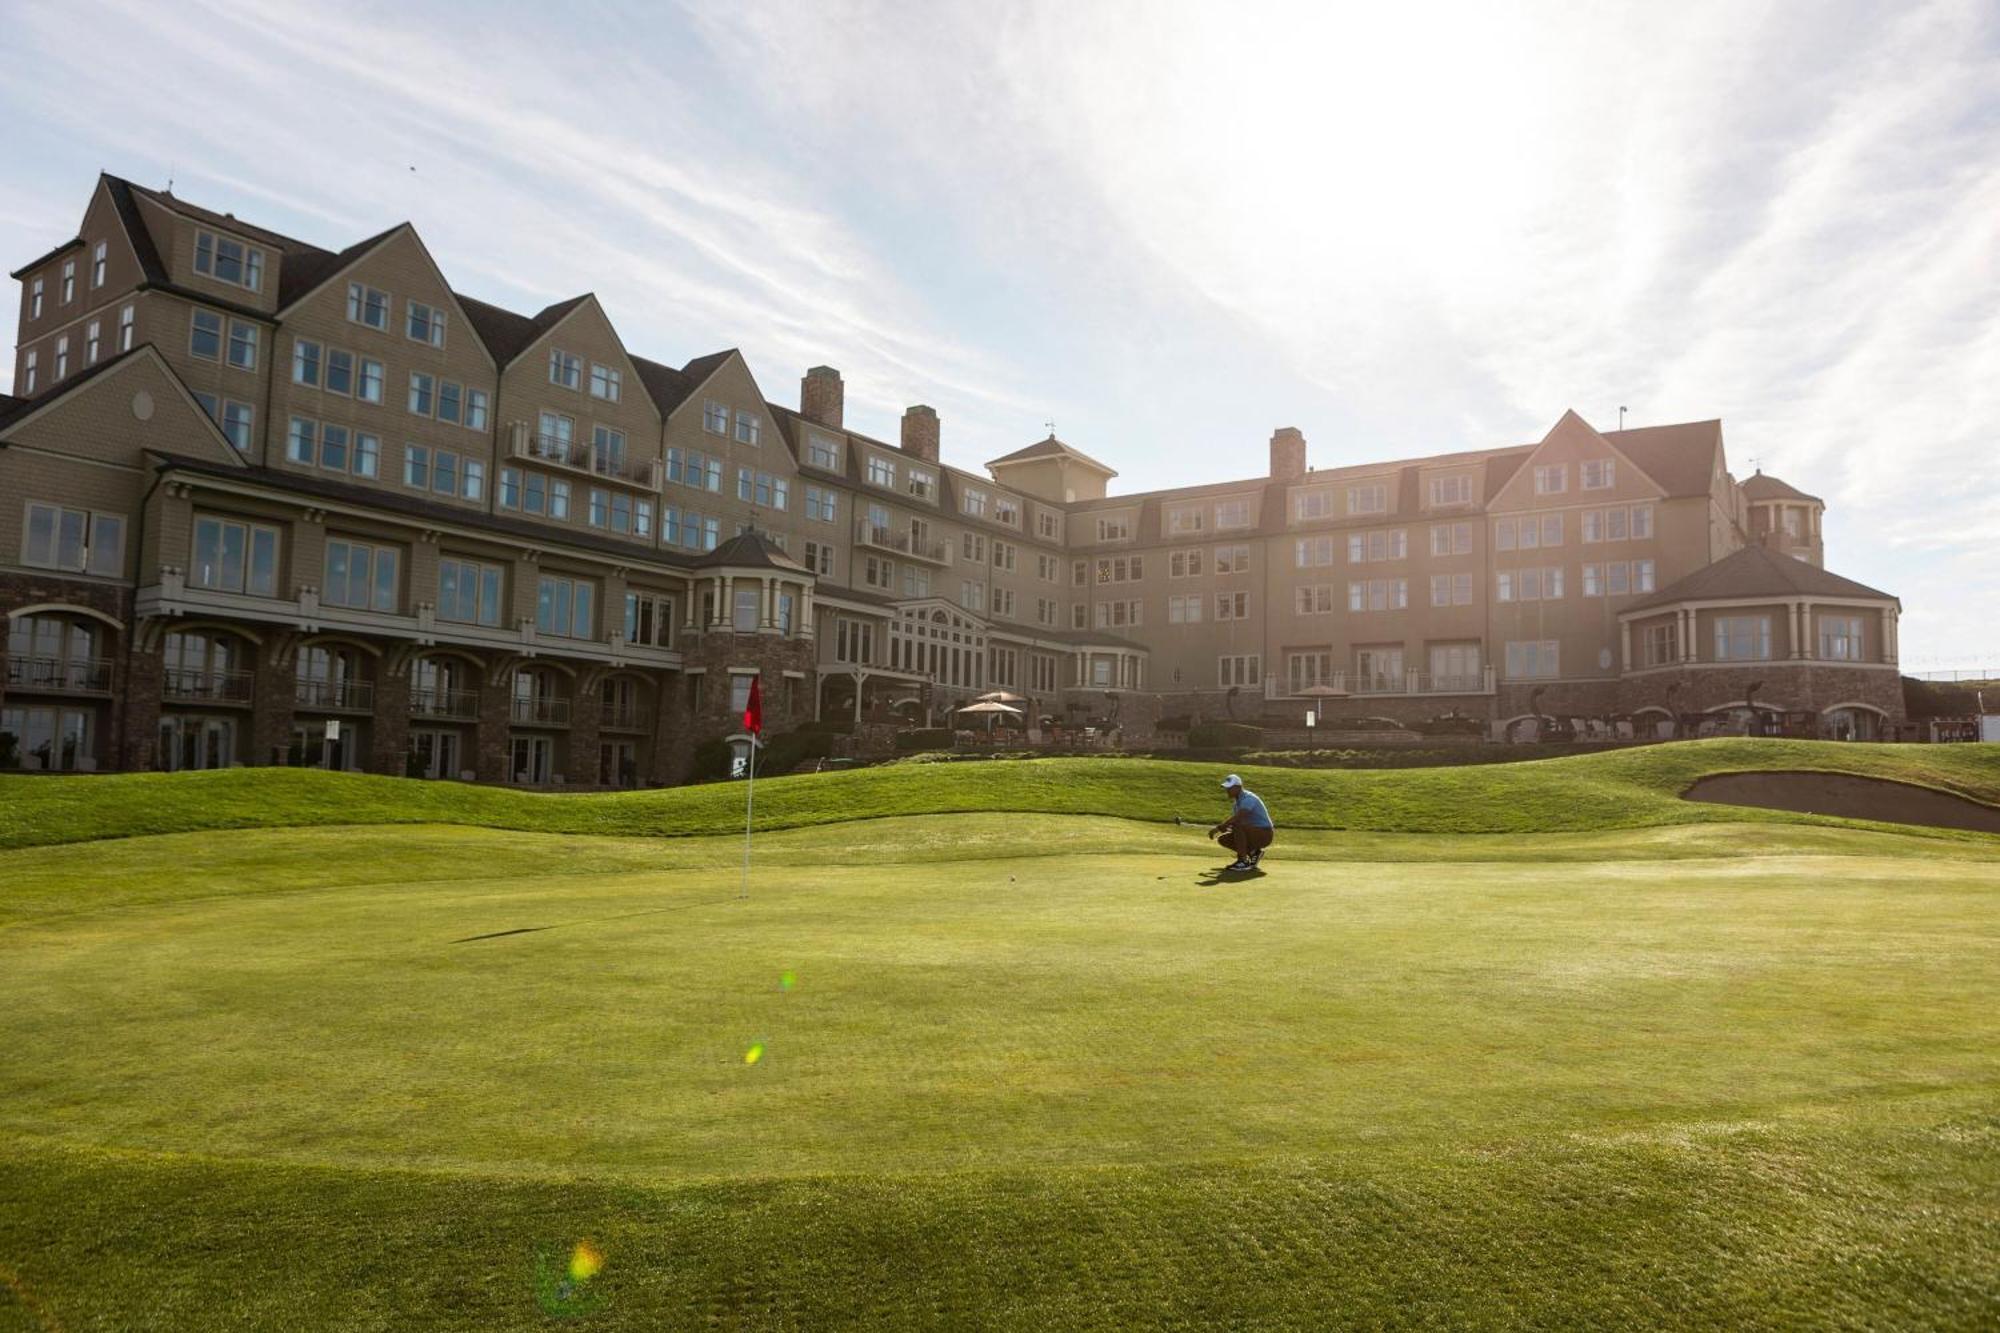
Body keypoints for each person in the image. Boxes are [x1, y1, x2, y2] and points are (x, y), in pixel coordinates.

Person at [1210, 774, 1274, 871]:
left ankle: (1243, 861)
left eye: (1230, 788)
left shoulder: (1248, 798)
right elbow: (1239, 824)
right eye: (1226, 788)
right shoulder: (1237, 804)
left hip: (1264, 834)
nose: (1227, 790)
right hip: (1253, 833)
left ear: (1238, 787)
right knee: (1223, 839)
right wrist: (1227, 827)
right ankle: (1254, 853)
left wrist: (1219, 828)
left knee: (1236, 825)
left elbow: (1239, 818)